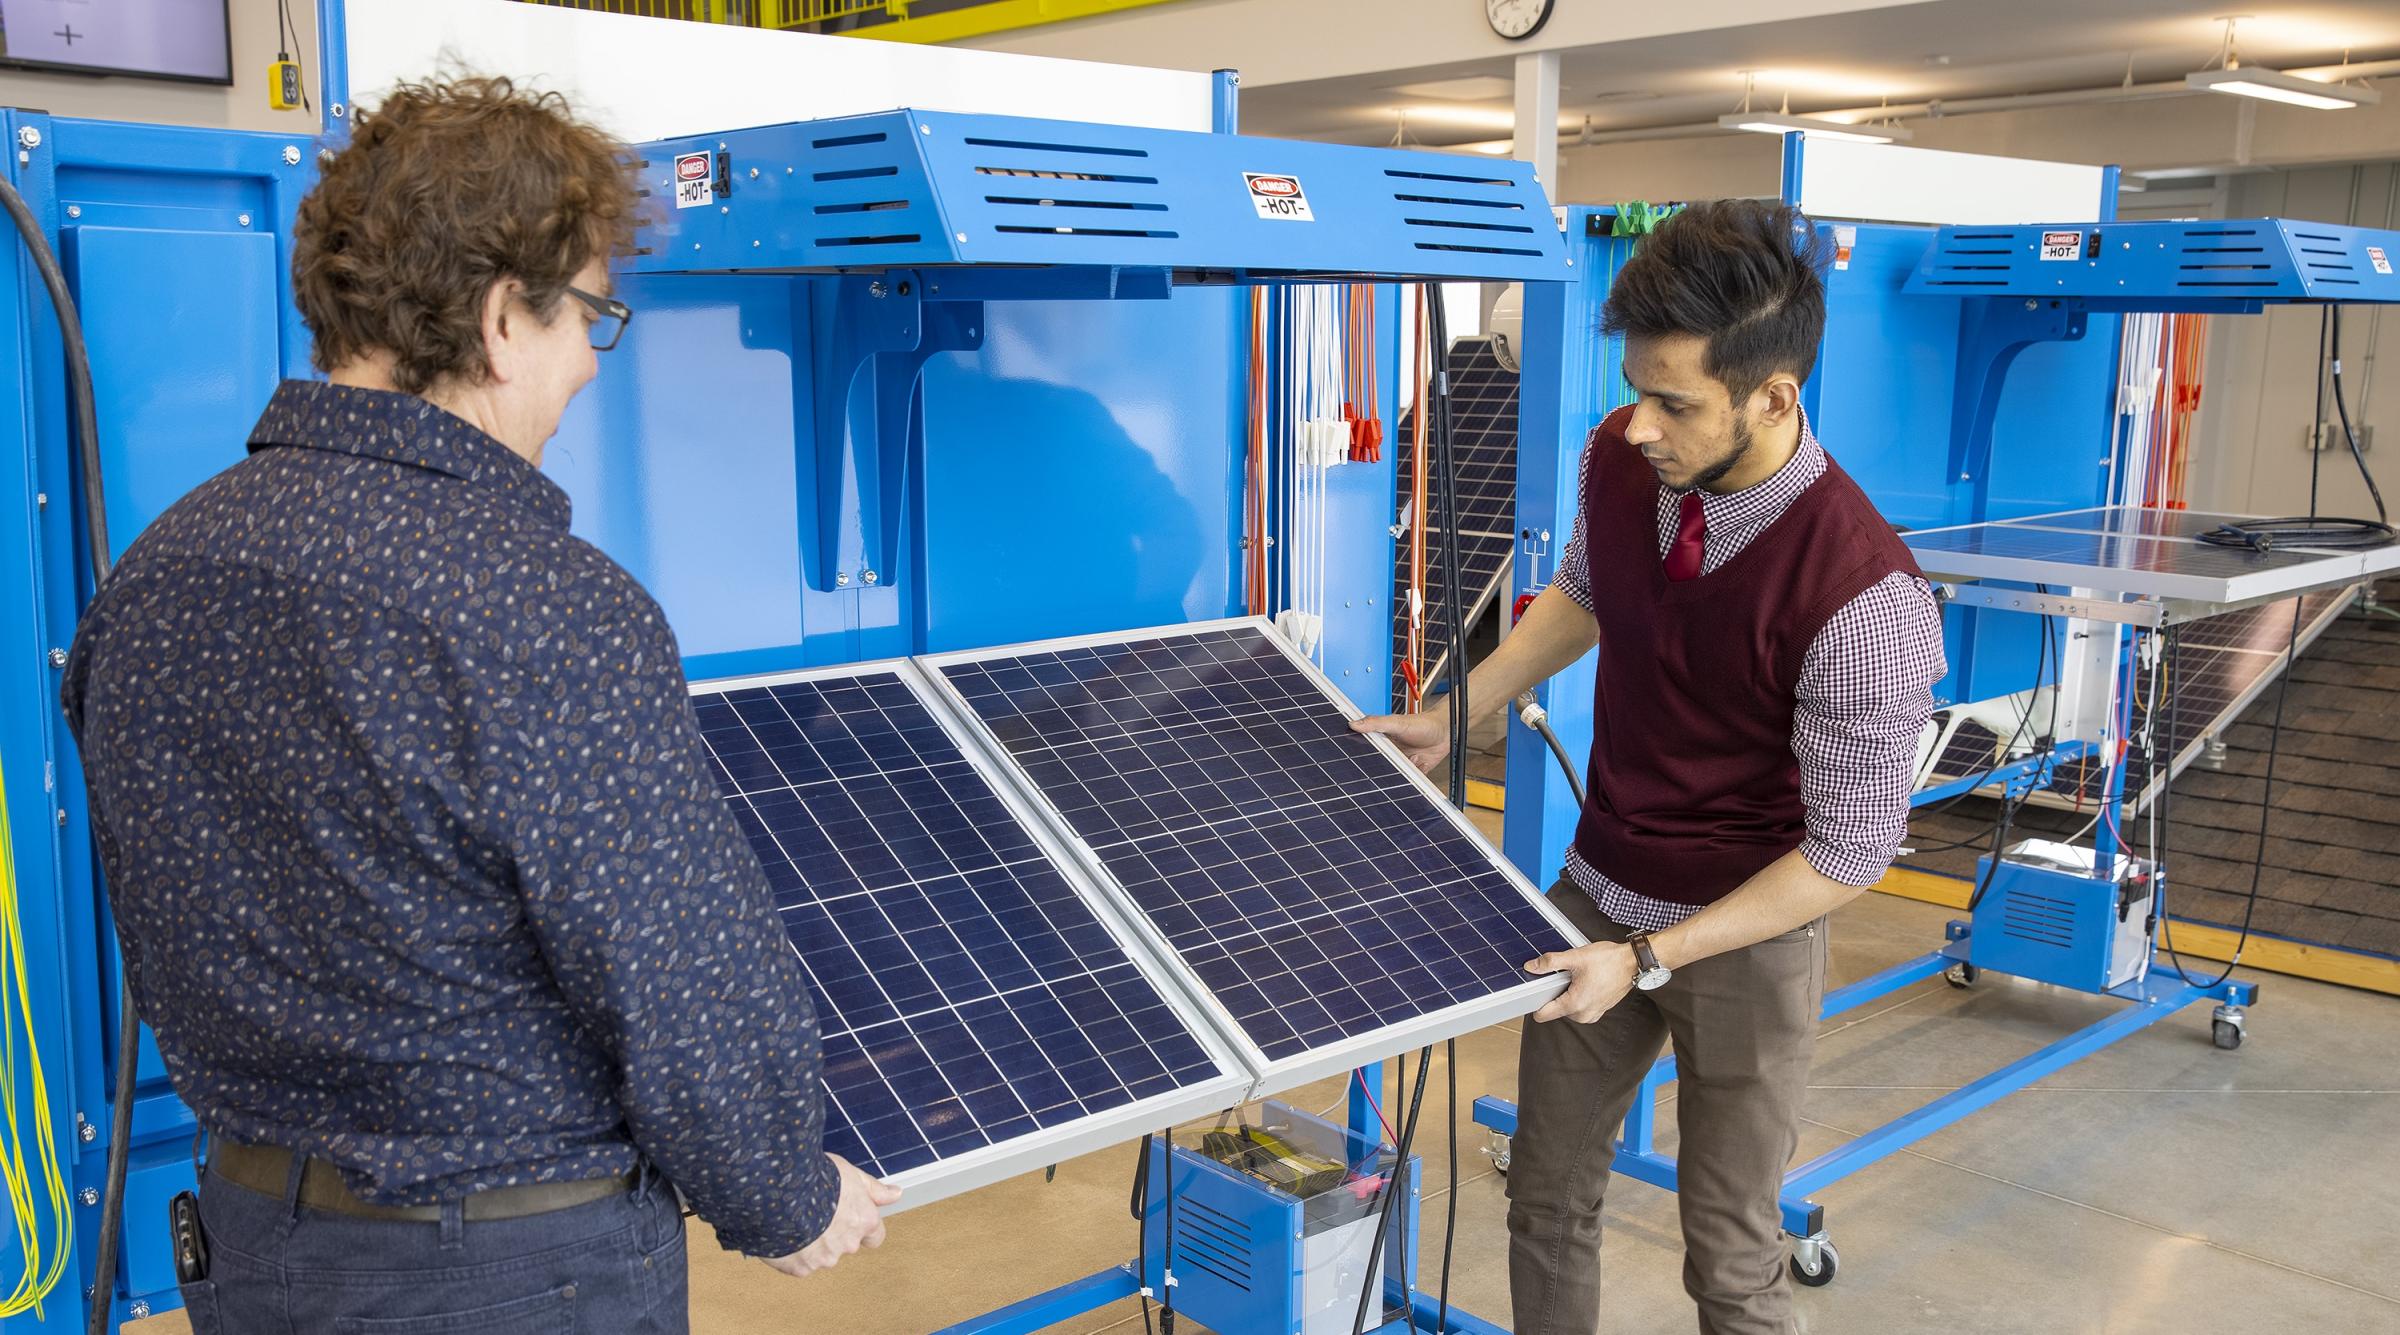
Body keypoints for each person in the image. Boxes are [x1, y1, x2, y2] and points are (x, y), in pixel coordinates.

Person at [61, 77, 894, 1334]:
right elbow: (676, 978)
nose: (586, 371)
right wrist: (782, 1194)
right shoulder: (548, 608)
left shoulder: (155, 576)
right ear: (507, 320)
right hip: (513, 1273)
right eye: (590, 323)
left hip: (252, 1248)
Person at [1356, 200, 1943, 1335]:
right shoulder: (1619, 462)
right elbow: (1585, 592)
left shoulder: (1864, 597)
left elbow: (1849, 854)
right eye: (1636, 388)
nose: (1639, 426)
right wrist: (1457, 707)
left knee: (1730, 1259)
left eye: (1675, 402)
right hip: (1597, 893)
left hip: (1745, 936)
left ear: (1774, 398)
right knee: (1545, 1201)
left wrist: (1649, 957)